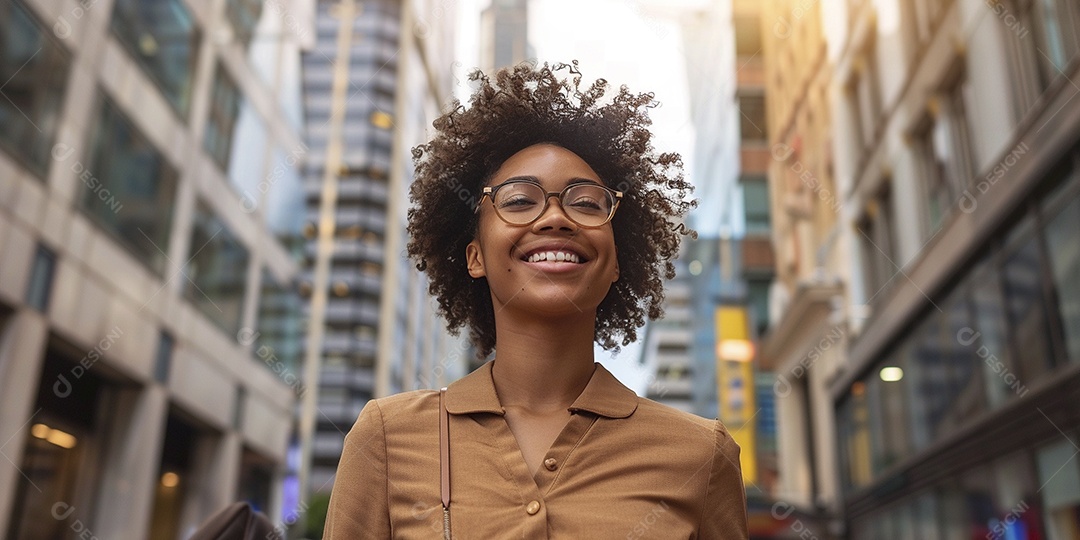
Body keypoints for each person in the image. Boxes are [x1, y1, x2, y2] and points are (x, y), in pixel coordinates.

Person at [324, 61, 749, 539]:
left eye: (586, 203)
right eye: (519, 200)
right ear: (475, 256)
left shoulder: (700, 454)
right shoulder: (386, 436)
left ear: (615, 262)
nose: (555, 218)